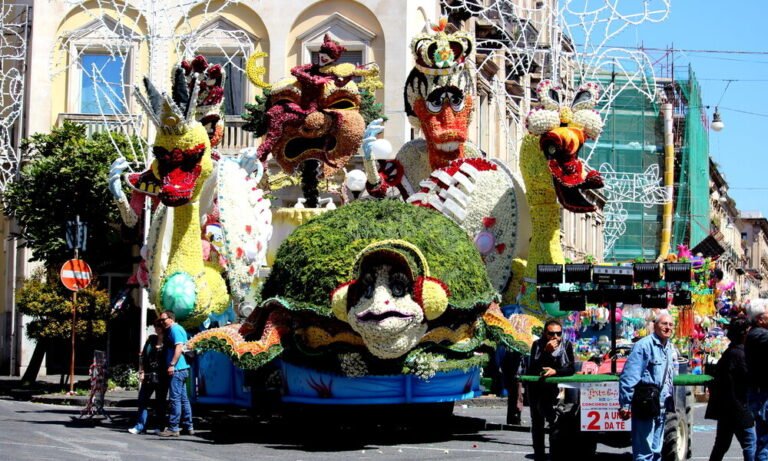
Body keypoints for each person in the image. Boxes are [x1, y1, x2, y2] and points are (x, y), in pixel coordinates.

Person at [619, 312, 677, 461]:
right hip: (645, 405)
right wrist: (625, 404)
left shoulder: (669, 347)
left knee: (656, 452)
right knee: (644, 454)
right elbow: (629, 376)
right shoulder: (643, 346)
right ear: (655, 325)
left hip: (661, 406)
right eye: (664, 324)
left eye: (670, 324)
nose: (667, 327)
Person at [706, 317, 756, 461]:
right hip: (739, 407)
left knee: (721, 444)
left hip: (726, 408)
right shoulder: (740, 354)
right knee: (750, 443)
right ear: (744, 333)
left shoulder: (730, 352)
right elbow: (748, 378)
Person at [527, 318, 575, 461]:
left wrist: (556, 371)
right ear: (545, 334)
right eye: (551, 334)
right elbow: (533, 368)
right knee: (537, 423)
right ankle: (539, 455)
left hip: (556, 389)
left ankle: (554, 454)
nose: (555, 337)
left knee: (556, 422)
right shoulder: (538, 345)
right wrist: (546, 352)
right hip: (537, 389)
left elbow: (570, 368)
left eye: (558, 334)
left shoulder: (566, 345)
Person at [157, 311, 194, 437]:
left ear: (171, 319)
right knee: (183, 399)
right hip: (182, 369)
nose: (162, 322)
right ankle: (188, 426)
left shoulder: (175, 330)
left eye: (164, 320)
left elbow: (179, 347)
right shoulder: (175, 329)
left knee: (175, 399)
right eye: (160, 321)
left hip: (177, 369)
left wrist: (172, 364)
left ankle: (173, 427)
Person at [128, 319, 168, 434]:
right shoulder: (151, 339)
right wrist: (141, 371)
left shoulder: (168, 341)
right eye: (155, 326)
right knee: (142, 400)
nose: (156, 329)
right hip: (149, 374)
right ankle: (140, 426)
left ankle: (160, 426)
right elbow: (143, 355)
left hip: (162, 375)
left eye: (159, 327)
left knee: (160, 402)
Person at [745, 300, 768, 460]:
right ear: (760, 318)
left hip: (761, 394)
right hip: (763, 395)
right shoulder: (758, 335)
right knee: (765, 443)